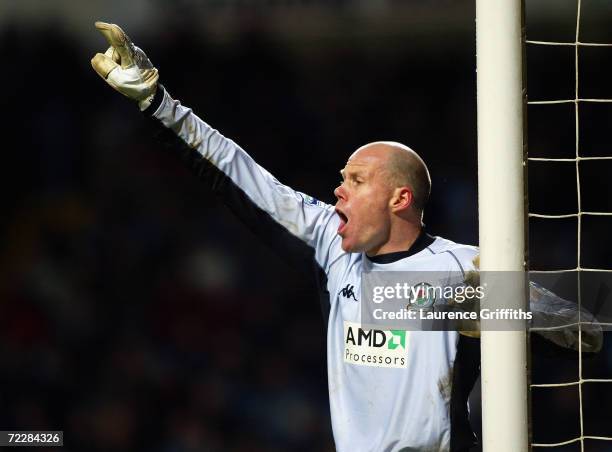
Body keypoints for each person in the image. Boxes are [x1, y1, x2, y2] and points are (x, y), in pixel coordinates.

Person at [91, 21, 484, 452]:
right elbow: (239, 174)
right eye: (342, 179)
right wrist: (158, 103)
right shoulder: (332, 244)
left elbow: (561, 329)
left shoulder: (463, 273)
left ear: (399, 198)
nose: (339, 190)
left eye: (356, 180)